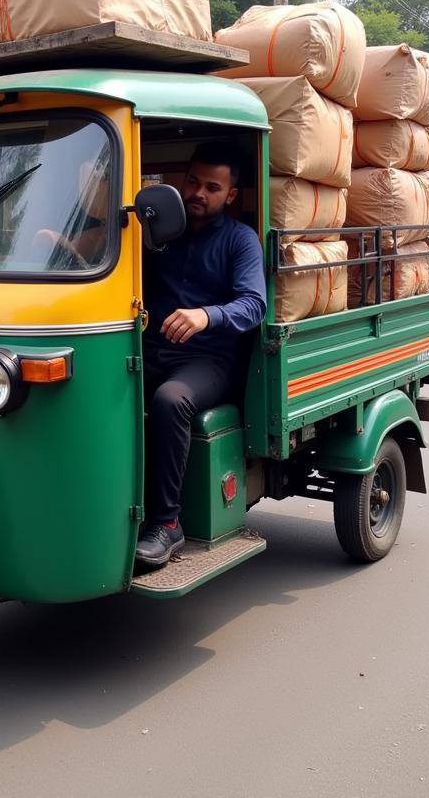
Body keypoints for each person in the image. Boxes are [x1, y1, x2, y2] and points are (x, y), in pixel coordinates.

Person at [136, 142, 267, 567]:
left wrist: (205, 316)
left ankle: (167, 525)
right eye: (193, 182)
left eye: (212, 187)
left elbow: (254, 305)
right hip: (151, 349)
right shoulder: (159, 234)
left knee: (170, 401)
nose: (198, 193)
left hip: (210, 361)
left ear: (230, 195)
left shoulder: (240, 240)